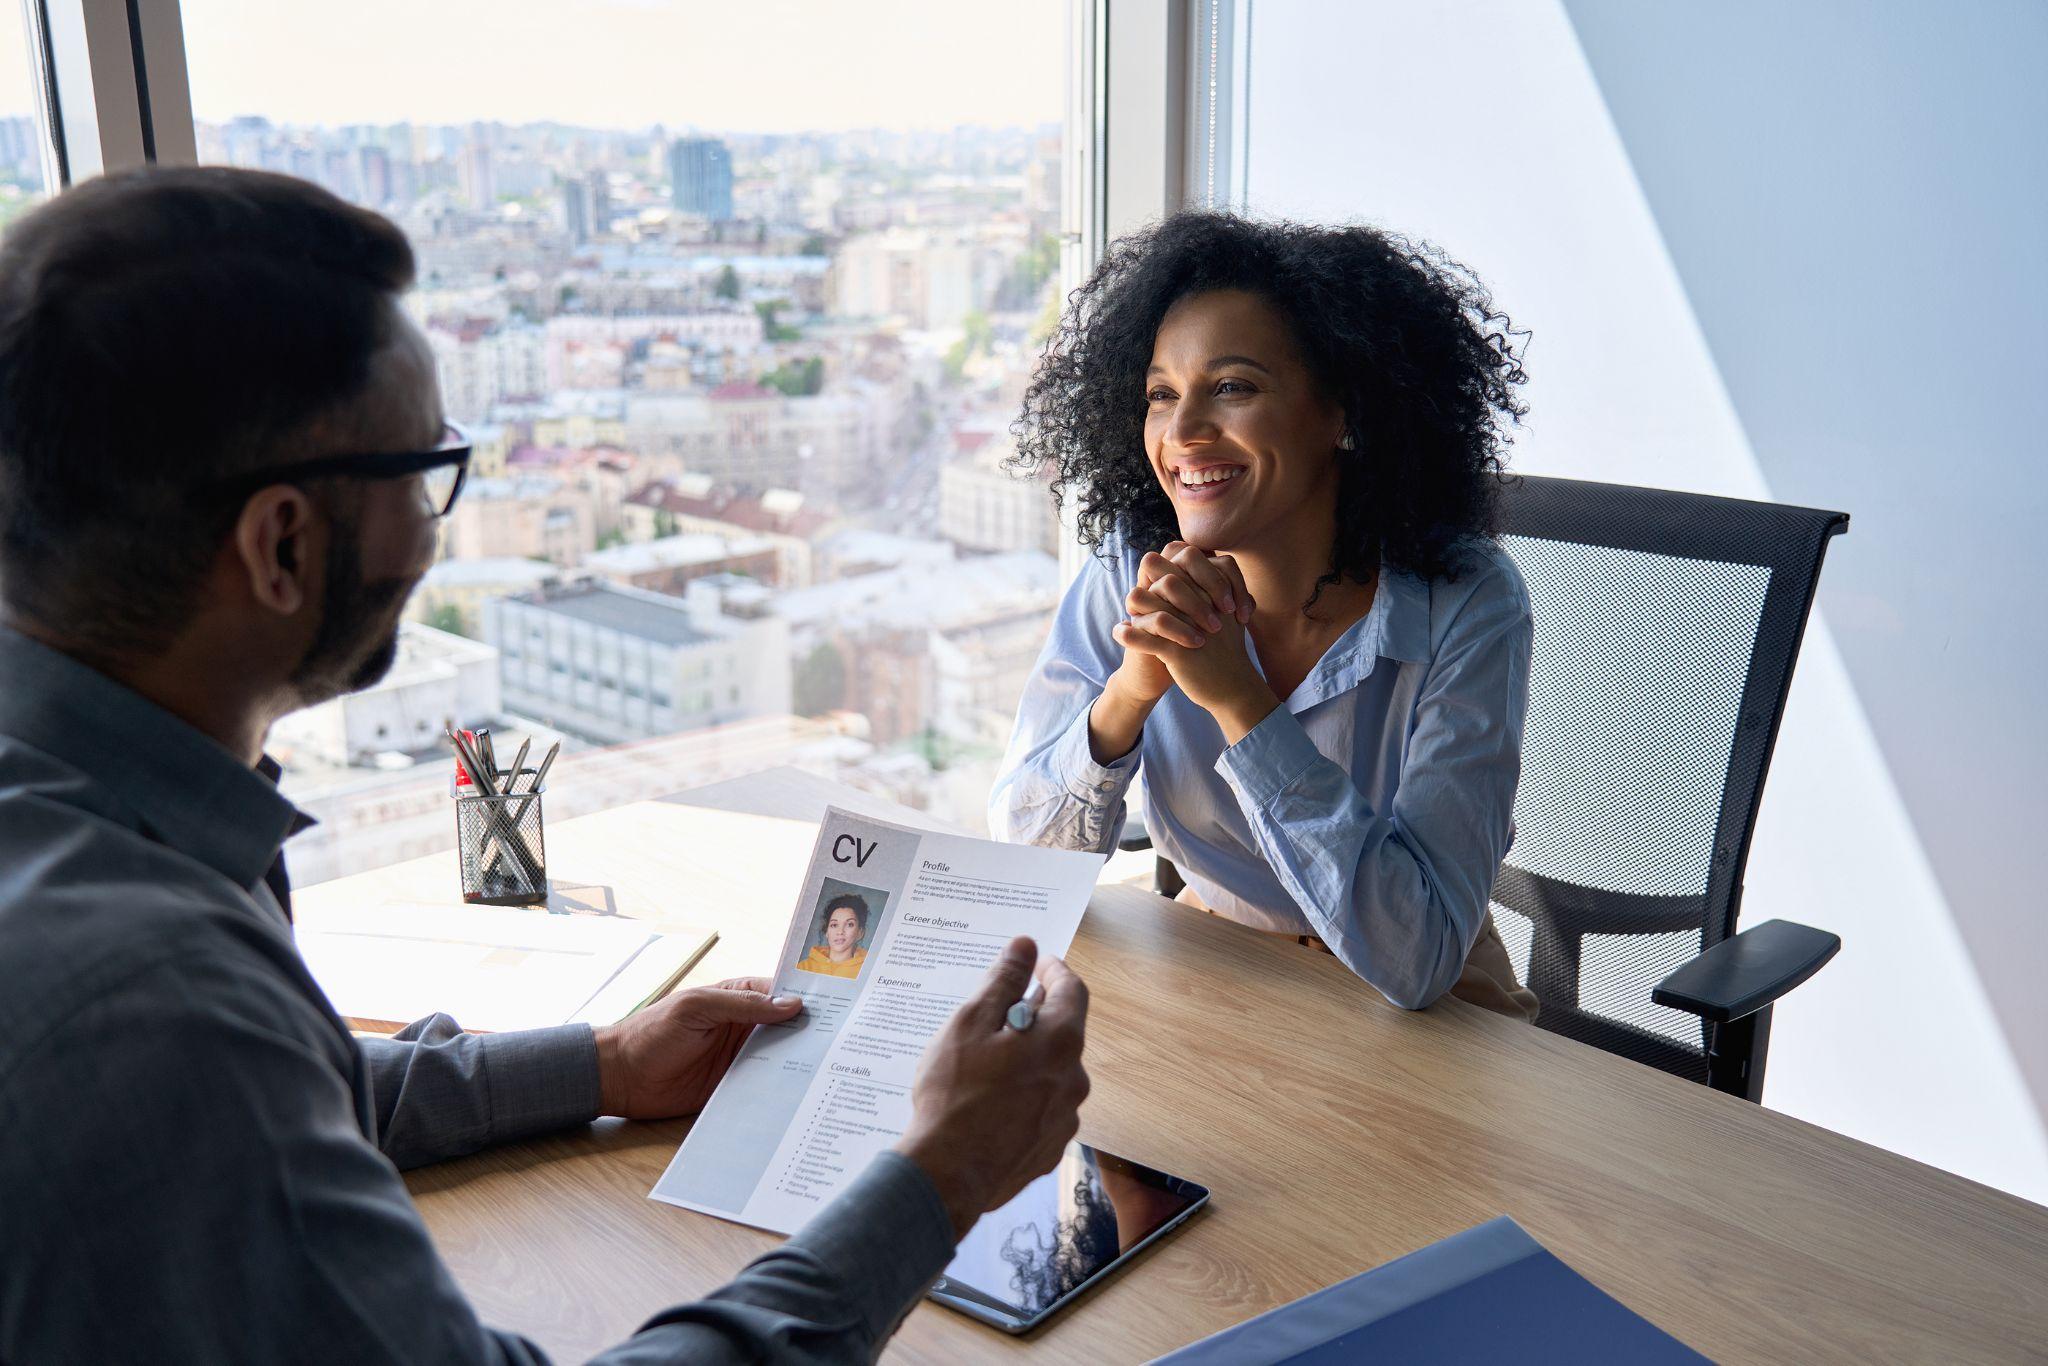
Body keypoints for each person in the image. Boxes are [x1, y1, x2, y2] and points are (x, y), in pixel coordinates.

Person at [0, 167, 1091, 1364]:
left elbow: (262, 1103)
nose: (434, 530)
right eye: (423, 476)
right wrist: (939, 1178)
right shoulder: (149, 1001)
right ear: (282, 544)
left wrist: (601, 1062)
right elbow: (205, 1079)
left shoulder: (76, 825)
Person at [990, 212, 1538, 1020]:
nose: (1182, 433)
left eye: (1233, 388)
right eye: (1161, 395)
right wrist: (1131, 693)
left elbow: (1418, 954)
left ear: (1342, 410)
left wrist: (1239, 701)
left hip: (1429, 1010)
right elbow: (1021, 862)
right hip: (1219, 969)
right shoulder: (1131, 563)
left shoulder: (1466, 602)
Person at [796, 893, 872, 978]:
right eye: (834, 925)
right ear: (827, 932)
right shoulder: (804, 967)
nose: (840, 932)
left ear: (860, 933)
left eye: (850, 924)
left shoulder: (868, 970)